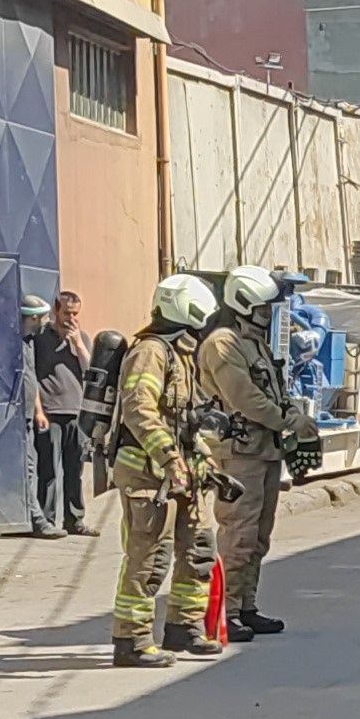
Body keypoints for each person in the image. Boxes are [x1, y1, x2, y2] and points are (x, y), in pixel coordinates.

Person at [109, 274, 224, 668]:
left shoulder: (183, 354)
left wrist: (202, 458)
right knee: (149, 558)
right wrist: (168, 458)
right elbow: (139, 409)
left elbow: (185, 419)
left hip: (185, 473)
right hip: (147, 475)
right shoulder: (150, 352)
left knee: (199, 550)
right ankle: (132, 641)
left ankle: (185, 628)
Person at [201, 265, 312, 639]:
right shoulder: (223, 343)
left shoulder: (255, 343)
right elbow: (244, 398)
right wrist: (287, 421)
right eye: (263, 308)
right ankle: (225, 612)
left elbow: (275, 389)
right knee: (239, 533)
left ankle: (246, 606)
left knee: (259, 537)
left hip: (265, 452)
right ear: (244, 303)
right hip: (239, 452)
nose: (268, 315)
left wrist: (293, 413)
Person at [26, 290, 90, 537]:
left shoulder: (81, 338)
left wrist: (78, 344)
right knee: (49, 469)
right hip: (51, 412)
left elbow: (90, 369)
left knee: (75, 470)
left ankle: (75, 520)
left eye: (75, 314)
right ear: (55, 311)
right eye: (66, 313)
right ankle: (47, 519)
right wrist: (38, 410)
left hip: (76, 412)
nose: (70, 319)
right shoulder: (41, 338)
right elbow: (32, 375)